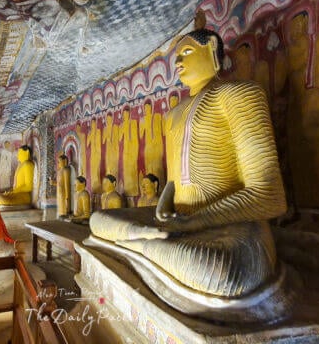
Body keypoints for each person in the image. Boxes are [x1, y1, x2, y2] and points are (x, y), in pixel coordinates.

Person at [88, 27, 288, 314]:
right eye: (176, 57)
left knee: (222, 270)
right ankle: (148, 243)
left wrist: (193, 222)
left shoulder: (239, 94)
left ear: (212, 53)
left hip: (229, 227)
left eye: (187, 52)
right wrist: (164, 207)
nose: (178, 62)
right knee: (98, 219)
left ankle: (141, 245)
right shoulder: (173, 114)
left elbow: (268, 194)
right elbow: (173, 180)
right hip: (179, 220)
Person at [0, 145, 35, 209]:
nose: (18, 156)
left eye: (20, 153)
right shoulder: (21, 166)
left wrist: (14, 191)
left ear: (27, 153)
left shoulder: (28, 164)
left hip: (23, 196)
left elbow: (29, 187)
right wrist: (10, 192)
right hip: (17, 194)